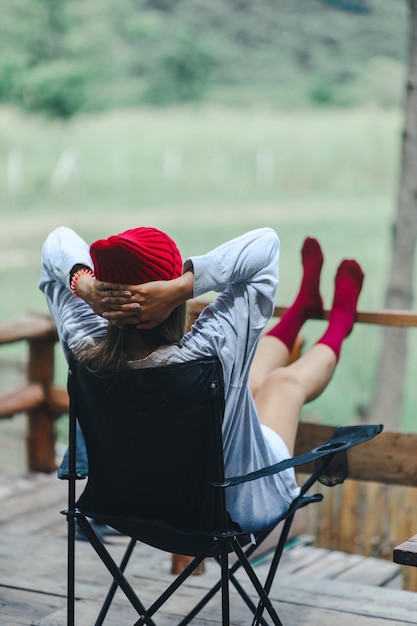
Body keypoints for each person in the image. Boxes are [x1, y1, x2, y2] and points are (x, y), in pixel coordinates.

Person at [40, 226, 364, 533]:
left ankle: (302, 309)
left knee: (246, 384)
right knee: (283, 385)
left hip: (129, 510)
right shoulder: (208, 352)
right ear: (171, 299)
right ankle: (339, 325)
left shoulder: (83, 346)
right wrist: (185, 285)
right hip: (232, 509)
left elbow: (57, 241)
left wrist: (84, 284)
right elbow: (265, 246)